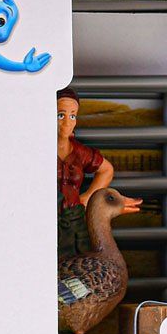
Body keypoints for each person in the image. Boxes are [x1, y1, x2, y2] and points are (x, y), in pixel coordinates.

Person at [57, 88, 114, 256]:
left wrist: (87, 197)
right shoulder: (38, 149)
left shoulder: (79, 152)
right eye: (60, 115)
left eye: (72, 116)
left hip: (75, 222)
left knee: (77, 261)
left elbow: (106, 170)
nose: (67, 123)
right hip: (45, 220)